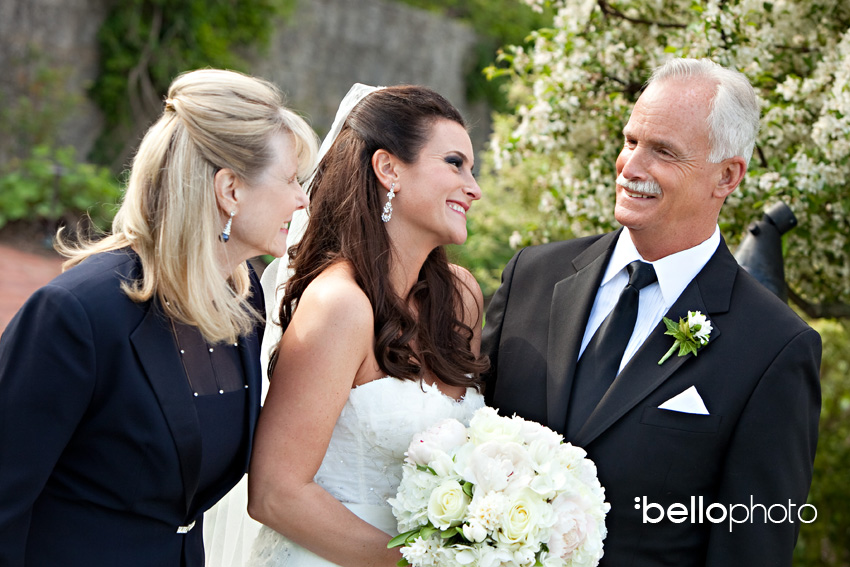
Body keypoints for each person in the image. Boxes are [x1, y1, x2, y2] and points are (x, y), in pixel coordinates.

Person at [482, 58, 821, 566]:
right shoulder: (531, 276)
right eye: (631, 141)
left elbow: (752, 547)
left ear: (727, 176)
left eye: (663, 151)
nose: (631, 167)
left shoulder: (775, 347)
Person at [0, 68, 318, 566]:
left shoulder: (244, 299)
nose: (302, 199)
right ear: (230, 189)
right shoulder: (78, 313)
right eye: (291, 180)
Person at [243, 84, 488, 567]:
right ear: (389, 168)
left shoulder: (459, 298)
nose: (474, 187)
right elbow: (275, 494)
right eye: (455, 163)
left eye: (472, 170)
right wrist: (419, 564)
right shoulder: (340, 304)